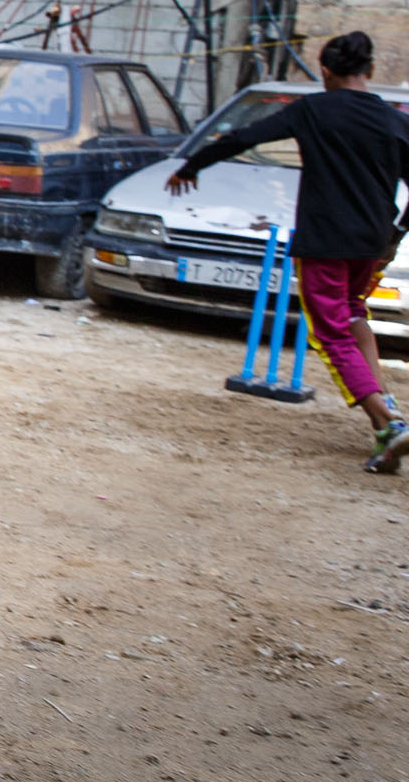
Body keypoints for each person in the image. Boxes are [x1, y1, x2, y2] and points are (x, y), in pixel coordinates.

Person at [168, 31, 409, 474]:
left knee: (329, 333)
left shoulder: (312, 110)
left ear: (325, 73)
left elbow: (243, 138)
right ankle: (384, 422)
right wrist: (396, 233)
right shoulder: (395, 121)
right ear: (370, 71)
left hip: (324, 242)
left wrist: (191, 165)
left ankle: (390, 420)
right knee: (354, 315)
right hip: (371, 242)